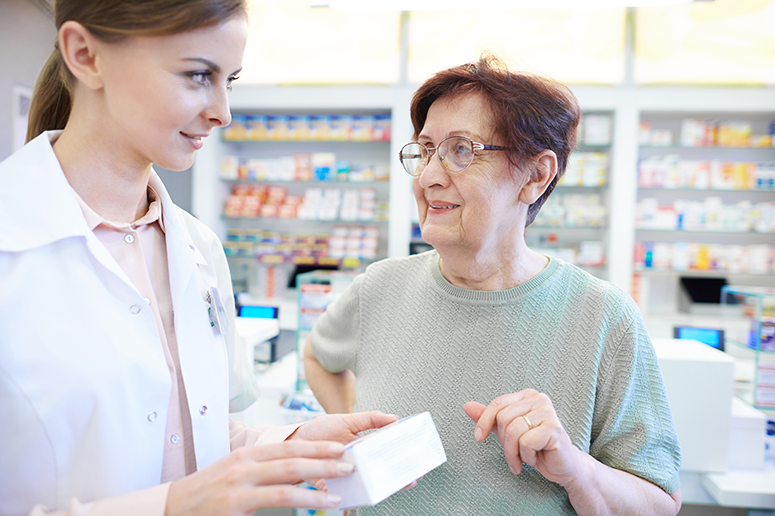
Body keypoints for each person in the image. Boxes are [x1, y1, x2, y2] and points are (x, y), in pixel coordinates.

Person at [0, 1, 398, 515]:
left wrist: (293, 443)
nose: (223, 112)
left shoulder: (198, 246)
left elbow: (190, 440)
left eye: (229, 80)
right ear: (86, 55)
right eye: (196, 75)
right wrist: (169, 506)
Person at [304, 55, 683, 515]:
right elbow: (318, 357)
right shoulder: (380, 287)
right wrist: (361, 438)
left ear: (536, 176)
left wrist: (577, 469)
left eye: (462, 150)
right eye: (425, 150)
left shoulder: (603, 317)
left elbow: (660, 504)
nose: (428, 177)